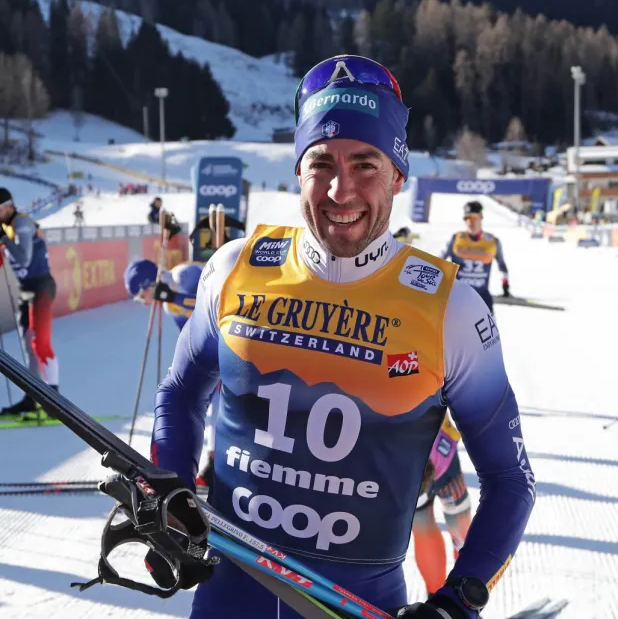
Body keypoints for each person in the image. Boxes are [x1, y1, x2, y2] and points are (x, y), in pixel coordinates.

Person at [151, 55, 535, 619]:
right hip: (228, 597)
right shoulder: (236, 268)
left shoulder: (447, 308)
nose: (340, 189)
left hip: (359, 606)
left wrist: (459, 600)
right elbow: (181, 393)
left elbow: (511, 478)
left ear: (399, 175)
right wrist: (170, 494)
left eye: (366, 165)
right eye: (321, 163)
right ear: (297, 171)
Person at [0, 187, 60, 416]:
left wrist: (0, 237)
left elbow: (24, 258)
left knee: (40, 344)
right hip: (26, 290)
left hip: (41, 286)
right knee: (28, 346)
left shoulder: (21, 224)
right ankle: (32, 396)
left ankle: (54, 398)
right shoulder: (2, 226)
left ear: (9, 207)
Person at [412, 414, 473, 595]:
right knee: (458, 518)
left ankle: (436, 601)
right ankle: (465, 596)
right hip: (438, 446)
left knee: (422, 525)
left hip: (403, 459)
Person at [441, 201, 509, 313]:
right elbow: (438, 262)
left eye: (473, 218)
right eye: (466, 218)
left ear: (481, 218)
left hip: (481, 298)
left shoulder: (492, 241)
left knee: (487, 330)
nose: (470, 222)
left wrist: (505, 285)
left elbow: (502, 265)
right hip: (456, 298)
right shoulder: (456, 239)